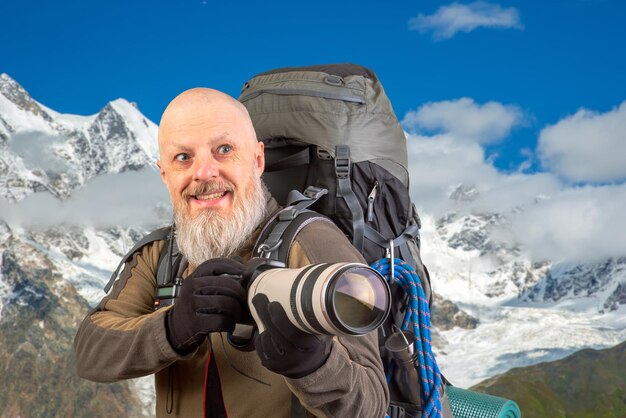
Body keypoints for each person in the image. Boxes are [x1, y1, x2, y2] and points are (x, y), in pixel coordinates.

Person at [74, 88, 389, 417]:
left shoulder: (312, 242)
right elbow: (91, 351)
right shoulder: (160, 255)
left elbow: (371, 405)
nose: (205, 173)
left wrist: (312, 364)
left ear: (257, 160)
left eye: (223, 150)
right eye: (184, 158)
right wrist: (173, 327)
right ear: (164, 174)